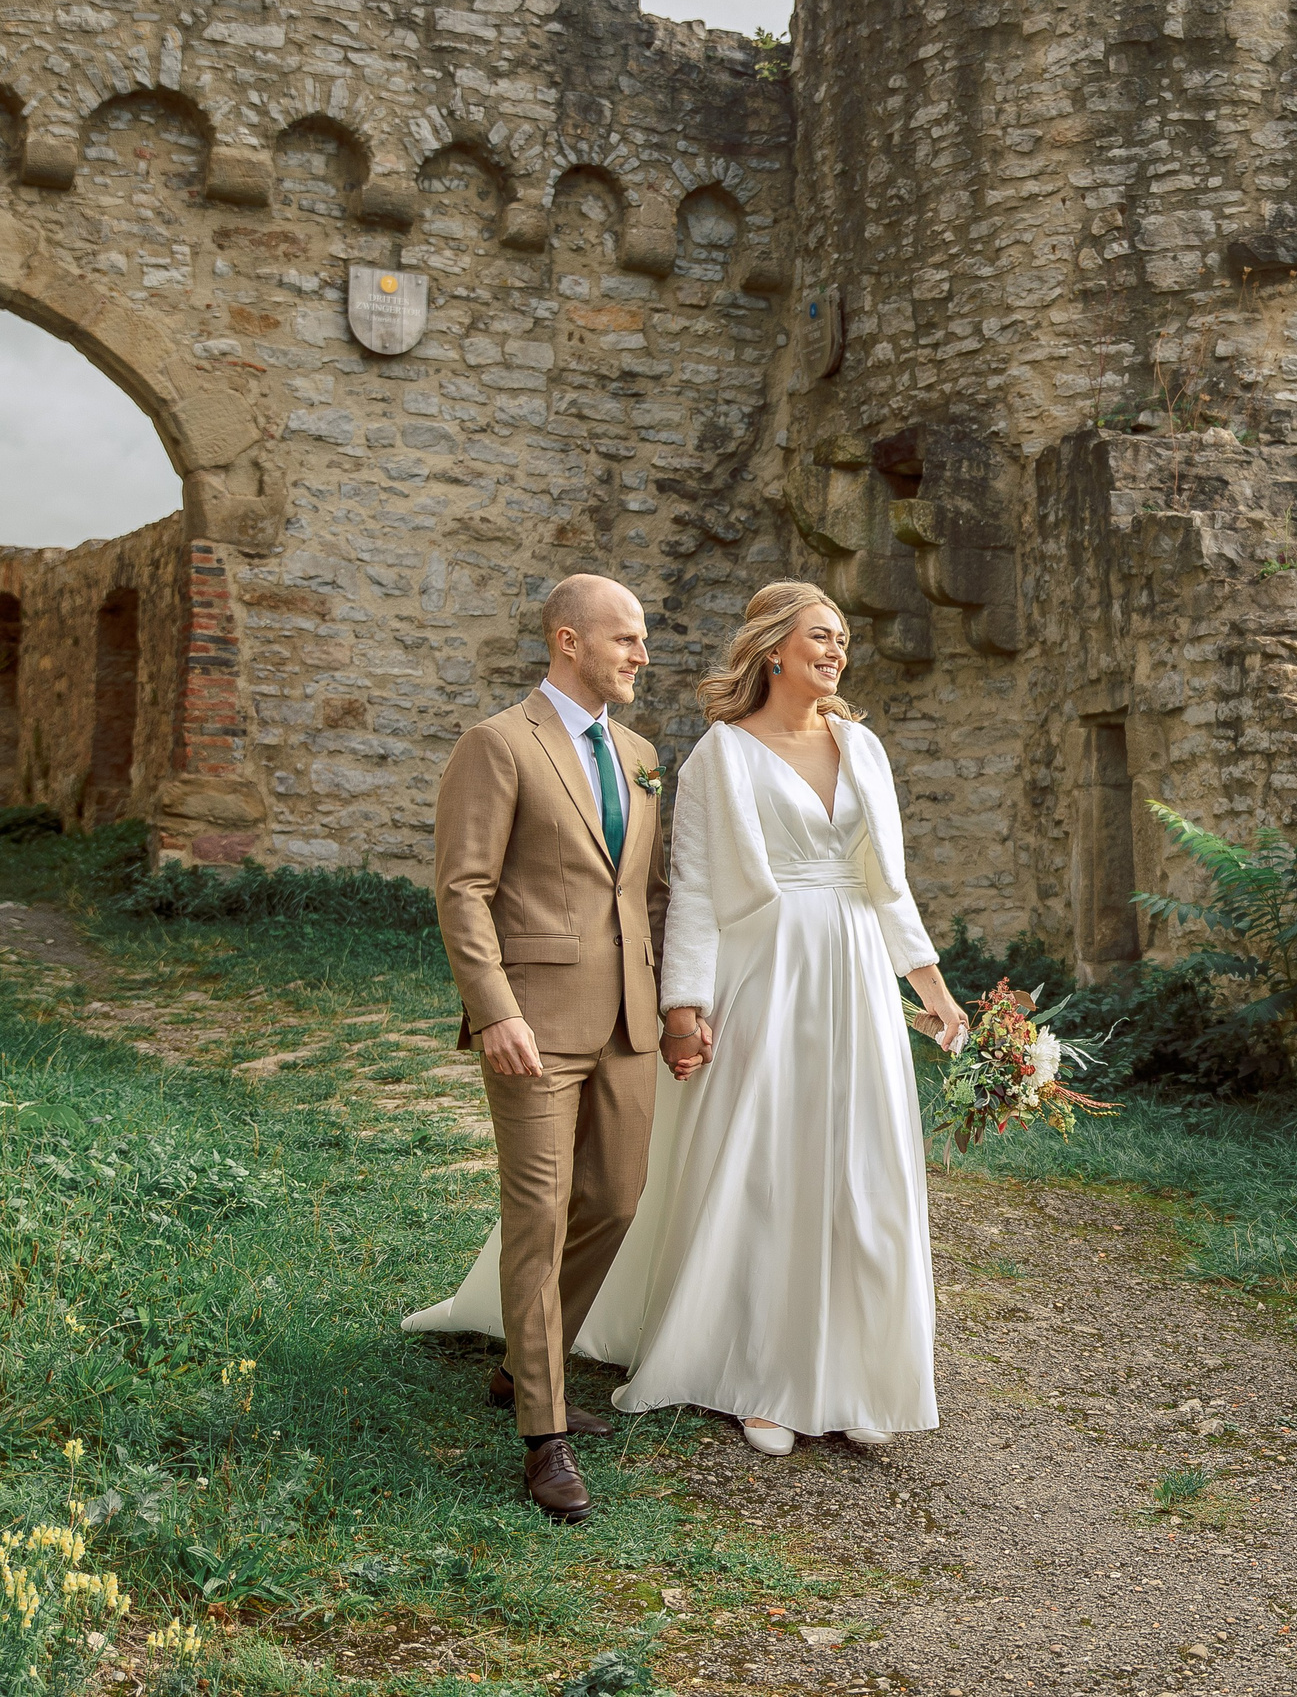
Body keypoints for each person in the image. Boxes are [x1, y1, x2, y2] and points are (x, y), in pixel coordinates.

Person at [410, 580, 968, 1463]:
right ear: (774, 649)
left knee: (865, 1171)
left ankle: (857, 1375)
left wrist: (929, 984)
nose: (837, 651)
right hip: (769, 973)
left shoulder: (862, 748)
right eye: (822, 636)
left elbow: (885, 881)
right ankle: (755, 1374)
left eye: (846, 640)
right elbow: (693, 895)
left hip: (856, 976)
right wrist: (685, 1007)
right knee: (767, 1171)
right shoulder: (716, 755)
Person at [423, 573, 669, 1524]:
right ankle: (545, 1432)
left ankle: (528, 1366)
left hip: (628, 1025)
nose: (641, 654)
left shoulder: (644, 754)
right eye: (626, 638)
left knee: (614, 1199)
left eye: (641, 639)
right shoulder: (497, 745)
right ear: (568, 641)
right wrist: (495, 1010)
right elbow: (464, 889)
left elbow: (645, 895)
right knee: (541, 1210)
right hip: (531, 1024)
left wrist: (674, 1007)